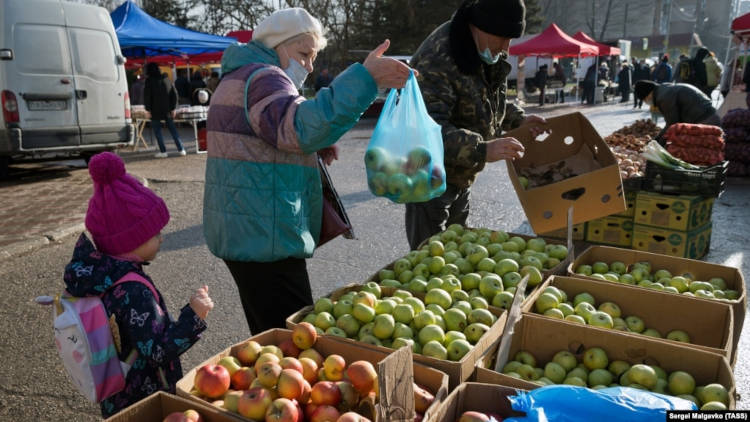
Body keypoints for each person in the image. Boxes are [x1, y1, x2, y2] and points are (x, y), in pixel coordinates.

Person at [202, 8, 412, 333]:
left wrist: (312, 146)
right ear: (279, 45)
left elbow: (265, 134)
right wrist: (365, 78)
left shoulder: (238, 76)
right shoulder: (265, 77)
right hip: (265, 238)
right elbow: (300, 129)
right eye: (304, 54)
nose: (310, 66)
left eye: (313, 56)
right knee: (292, 340)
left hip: (245, 230)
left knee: (269, 333)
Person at [64, 152, 213, 418]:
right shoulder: (134, 290)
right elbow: (156, 351)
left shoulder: (102, 276)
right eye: (154, 233)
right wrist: (194, 316)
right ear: (129, 241)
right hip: (144, 399)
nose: (162, 238)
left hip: (116, 393)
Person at [403, 0, 546, 250]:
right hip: (429, 178)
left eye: (510, 39)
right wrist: (482, 150)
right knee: (429, 255)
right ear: (479, 26)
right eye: (502, 37)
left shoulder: (484, 50)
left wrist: (518, 119)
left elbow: (486, 98)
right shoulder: (438, 58)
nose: (506, 47)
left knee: (458, 250)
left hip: (461, 173)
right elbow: (425, 130)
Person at [634, 80, 721, 128]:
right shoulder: (665, 89)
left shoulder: (664, 97)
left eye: (644, 99)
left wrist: (657, 143)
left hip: (705, 120)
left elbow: (673, 125)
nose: (646, 102)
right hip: (708, 115)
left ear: (648, 94)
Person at [143, 62, 186, 158]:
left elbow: (147, 96)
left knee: (157, 132)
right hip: (167, 110)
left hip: (154, 110)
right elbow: (174, 94)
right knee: (173, 130)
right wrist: (173, 107)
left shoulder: (149, 81)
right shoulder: (166, 79)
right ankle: (181, 149)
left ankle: (163, 152)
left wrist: (148, 109)